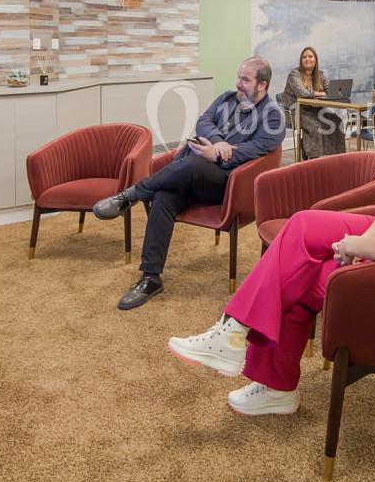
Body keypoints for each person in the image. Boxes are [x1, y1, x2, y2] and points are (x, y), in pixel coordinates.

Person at [166, 77, 375, 416]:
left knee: (301, 275)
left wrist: (360, 246)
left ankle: (269, 378)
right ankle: (235, 332)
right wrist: (368, 240)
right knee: (301, 225)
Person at [93, 57, 286, 310]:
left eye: (245, 80)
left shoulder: (273, 116)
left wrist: (216, 155)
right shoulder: (226, 99)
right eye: (239, 77)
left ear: (263, 85)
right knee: (163, 196)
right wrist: (218, 144)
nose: (238, 84)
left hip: (227, 186)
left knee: (194, 164)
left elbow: (259, 148)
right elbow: (204, 122)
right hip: (192, 176)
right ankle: (150, 278)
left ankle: (133, 193)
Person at [283, 46, 345, 160]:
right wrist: (319, 93)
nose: (307, 59)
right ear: (301, 60)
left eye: (310, 56)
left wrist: (335, 92)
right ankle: (314, 158)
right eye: (304, 57)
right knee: (317, 126)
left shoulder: (319, 74)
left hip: (315, 110)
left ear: (315, 59)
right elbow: (302, 93)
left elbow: (328, 90)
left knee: (337, 122)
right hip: (296, 111)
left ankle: (337, 156)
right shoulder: (294, 74)